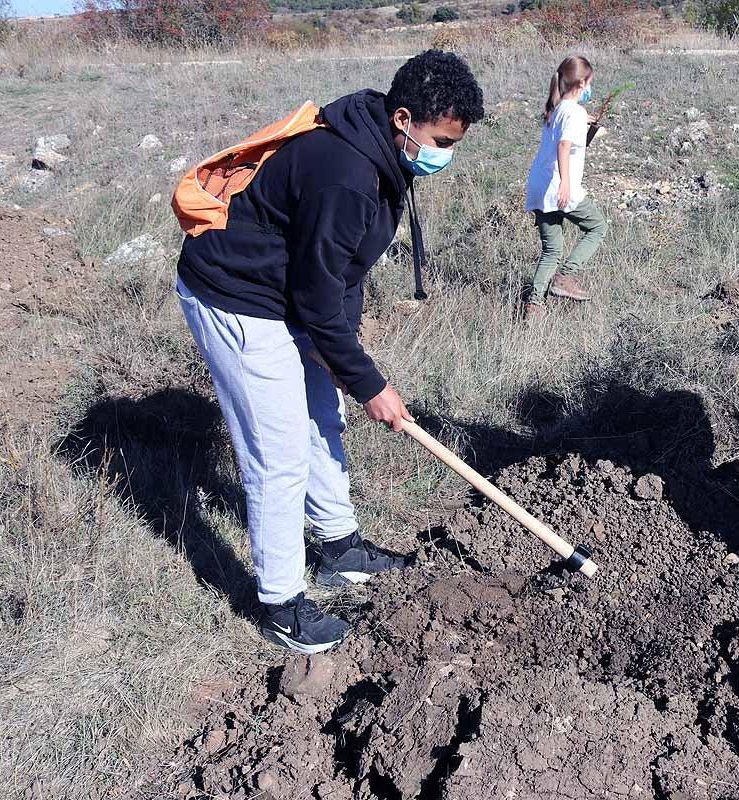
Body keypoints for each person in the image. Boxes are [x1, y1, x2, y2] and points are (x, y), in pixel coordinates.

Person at [175, 50, 484, 654]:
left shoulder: (380, 151)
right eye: (443, 139)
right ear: (403, 118)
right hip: (237, 296)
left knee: (323, 417)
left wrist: (345, 362)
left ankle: (339, 549)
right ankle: (281, 602)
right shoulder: (347, 172)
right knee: (279, 453)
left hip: (289, 293)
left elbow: (341, 274)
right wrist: (370, 383)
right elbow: (319, 299)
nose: (448, 153)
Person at [523, 55, 608, 322]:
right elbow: (563, 146)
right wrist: (567, 184)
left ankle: (534, 307)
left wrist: (586, 124)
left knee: (551, 250)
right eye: (590, 82)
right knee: (597, 227)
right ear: (582, 82)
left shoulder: (557, 109)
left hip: (539, 186)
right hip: (558, 187)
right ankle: (566, 276)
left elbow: (565, 137)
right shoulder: (574, 112)